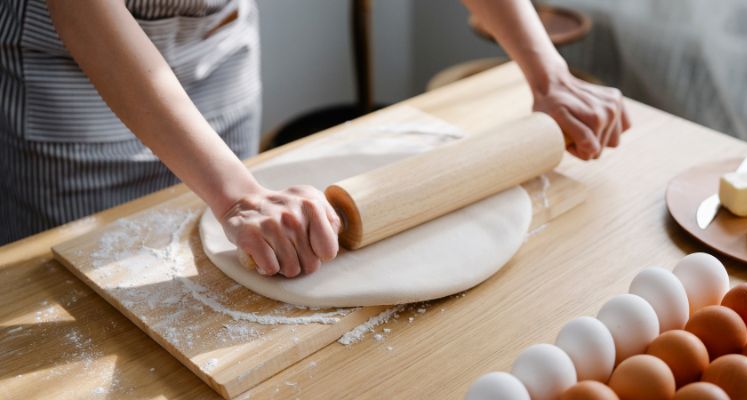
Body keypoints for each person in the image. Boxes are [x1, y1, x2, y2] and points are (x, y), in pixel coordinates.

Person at [0, 0, 629, 276]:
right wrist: (238, 193)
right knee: (86, 285)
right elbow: (83, 8)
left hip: (218, 51)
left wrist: (549, 73)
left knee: (218, 264)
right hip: (74, 84)